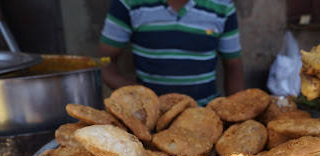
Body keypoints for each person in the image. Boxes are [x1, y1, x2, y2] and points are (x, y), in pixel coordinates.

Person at [98, 0, 244, 105]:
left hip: (206, 114)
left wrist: (236, 111)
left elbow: (233, 66)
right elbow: (103, 62)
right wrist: (136, 91)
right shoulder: (129, 3)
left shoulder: (222, 5)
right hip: (151, 116)